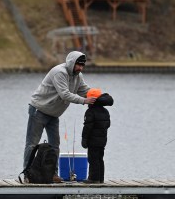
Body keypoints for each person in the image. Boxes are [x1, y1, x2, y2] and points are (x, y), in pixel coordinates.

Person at [24, 51, 96, 183]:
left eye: (82, 66)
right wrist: (84, 101)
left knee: (55, 145)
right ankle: (27, 174)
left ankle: (52, 174)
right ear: (71, 62)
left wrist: (99, 96)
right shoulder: (59, 72)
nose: (80, 68)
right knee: (31, 144)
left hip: (53, 114)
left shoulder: (78, 76)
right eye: (78, 65)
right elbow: (64, 94)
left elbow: (85, 90)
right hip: (38, 110)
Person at [81, 88, 113, 184]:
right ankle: (100, 179)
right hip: (102, 140)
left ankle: (93, 179)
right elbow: (108, 125)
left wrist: (84, 139)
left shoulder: (90, 112)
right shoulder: (105, 111)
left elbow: (87, 127)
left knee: (93, 159)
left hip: (93, 141)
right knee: (100, 159)